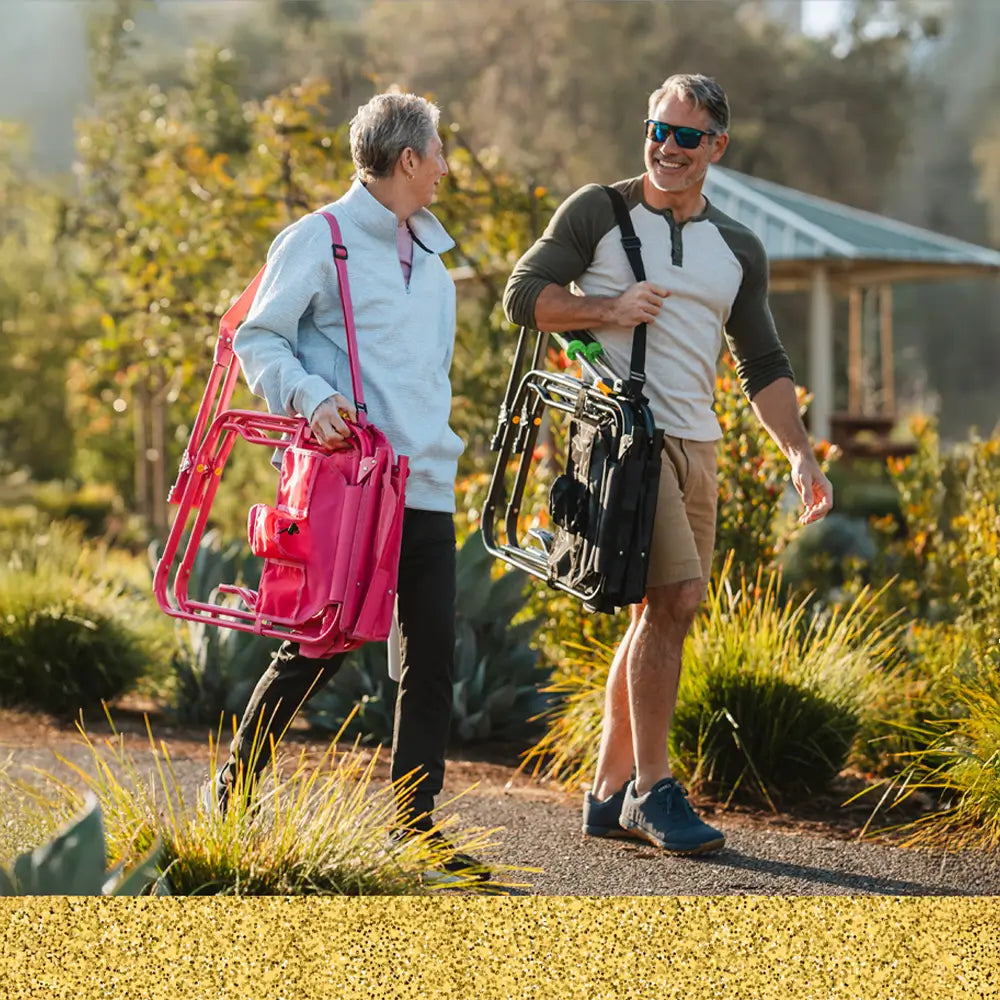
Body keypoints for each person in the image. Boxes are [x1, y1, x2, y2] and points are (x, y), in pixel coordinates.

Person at [503, 74, 833, 856]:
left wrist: (799, 454)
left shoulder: (738, 248)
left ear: (717, 145)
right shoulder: (599, 212)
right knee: (676, 596)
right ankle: (654, 790)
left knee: (667, 610)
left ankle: (607, 792)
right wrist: (607, 310)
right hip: (620, 439)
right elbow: (524, 295)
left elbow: (763, 361)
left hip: (699, 446)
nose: (667, 148)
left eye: (687, 136)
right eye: (658, 129)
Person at [212, 91, 486, 877]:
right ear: (408, 160)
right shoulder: (318, 237)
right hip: (351, 489)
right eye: (437, 153)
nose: (443, 167)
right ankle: (232, 793)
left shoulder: (433, 259)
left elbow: (424, 373)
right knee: (320, 646)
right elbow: (259, 336)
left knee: (432, 654)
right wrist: (311, 396)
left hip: (426, 481)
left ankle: (413, 824)